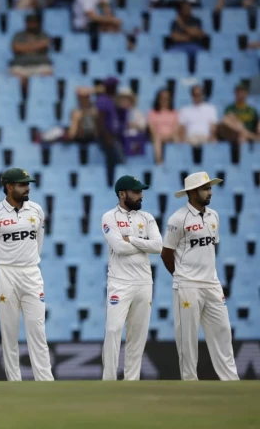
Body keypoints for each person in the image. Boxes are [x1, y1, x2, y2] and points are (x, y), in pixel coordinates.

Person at [161, 171, 239, 381]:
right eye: (206, 188)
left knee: (223, 332)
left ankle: (231, 382)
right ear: (193, 192)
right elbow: (166, 253)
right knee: (187, 338)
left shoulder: (214, 216)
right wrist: (181, 277)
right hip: (187, 286)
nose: (210, 192)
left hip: (212, 284)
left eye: (210, 188)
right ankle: (189, 383)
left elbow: (209, 249)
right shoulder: (178, 218)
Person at [0, 168, 54, 382]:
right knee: (9, 331)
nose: (27, 188)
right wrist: (7, 264)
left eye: (28, 184)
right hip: (6, 275)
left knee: (37, 329)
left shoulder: (37, 211)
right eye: (22, 184)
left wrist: (26, 262)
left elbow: (38, 242)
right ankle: (14, 381)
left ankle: (45, 381)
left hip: (31, 273)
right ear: (9, 187)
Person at [101, 175, 162, 380]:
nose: (140, 195)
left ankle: (132, 381)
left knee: (137, 335)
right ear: (122, 194)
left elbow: (158, 246)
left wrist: (133, 240)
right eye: (136, 191)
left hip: (144, 282)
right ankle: (109, 380)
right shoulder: (109, 217)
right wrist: (142, 243)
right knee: (113, 329)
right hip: (119, 283)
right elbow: (119, 247)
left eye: (141, 191)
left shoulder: (147, 217)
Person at [9, 14, 53, 88]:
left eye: (33, 22)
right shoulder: (19, 35)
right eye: (29, 22)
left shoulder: (43, 34)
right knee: (16, 77)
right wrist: (36, 46)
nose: (31, 25)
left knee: (47, 74)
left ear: (37, 23)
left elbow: (45, 44)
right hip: (21, 66)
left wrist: (25, 48)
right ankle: (23, 98)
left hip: (40, 65)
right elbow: (16, 47)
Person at [148, 88, 181, 164]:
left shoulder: (174, 113)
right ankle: (159, 162)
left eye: (167, 98)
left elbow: (176, 127)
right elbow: (152, 128)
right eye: (162, 98)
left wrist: (169, 135)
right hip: (157, 135)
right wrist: (160, 135)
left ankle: (176, 162)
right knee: (157, 138)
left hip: (171, 136)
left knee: (177, 138)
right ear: (158, 99)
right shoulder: (152, 113)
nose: (164, 100)